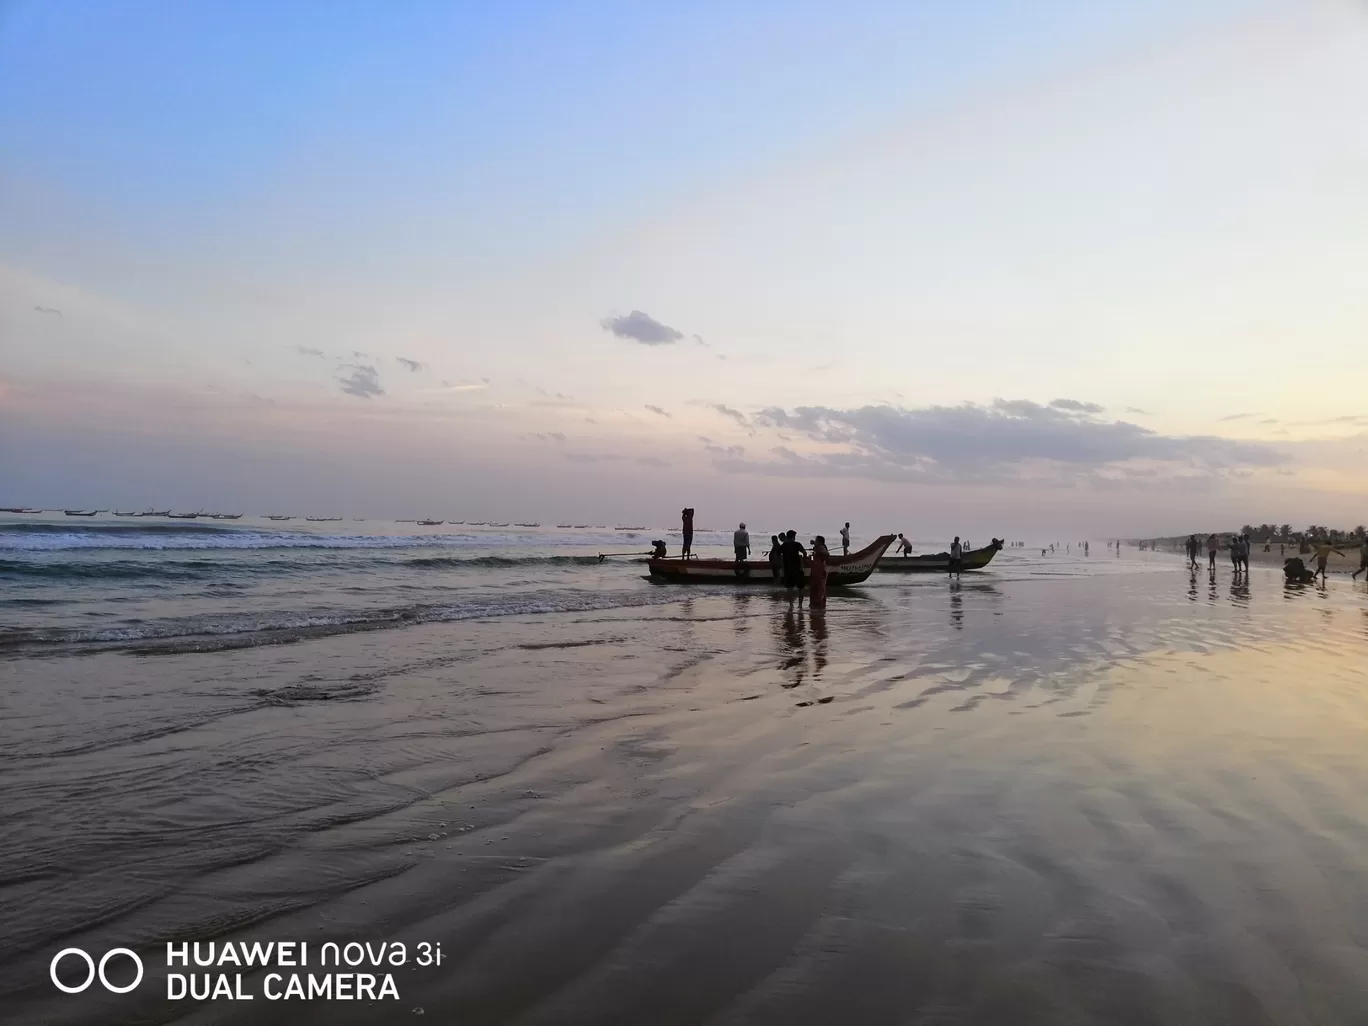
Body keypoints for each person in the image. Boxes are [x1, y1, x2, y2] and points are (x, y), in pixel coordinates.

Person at [781, 529, 807, 599]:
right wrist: (803, 561)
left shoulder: (784, 545)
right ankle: (800, 605)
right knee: (800, 588)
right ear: (793, 537)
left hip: (788, 569)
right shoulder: (797, 544)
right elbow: (804, 553)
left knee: (790, 588)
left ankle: (791, 605)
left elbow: (778, 555)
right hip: (798, 568)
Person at [809, 535, 830, 608]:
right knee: (816, 587)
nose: (815, 541)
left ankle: (819, 604)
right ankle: (816, 604)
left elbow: (827, 554)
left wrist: (820, 550)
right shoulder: (818, 547)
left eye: (816, 540)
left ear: (819, 542)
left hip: (820, 569)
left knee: (819, 587)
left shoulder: (821, 547)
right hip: (816, 569)